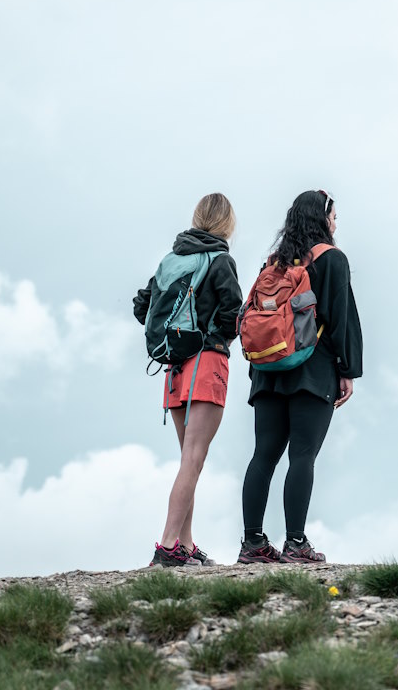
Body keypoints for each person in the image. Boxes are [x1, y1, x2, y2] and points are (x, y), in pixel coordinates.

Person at [238, 189, 362, 564]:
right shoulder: (331, 259)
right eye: (334, 216)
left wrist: (258, 368)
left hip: (268, 372)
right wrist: (348, 370)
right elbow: (341, 319)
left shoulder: (272, 264)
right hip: (313, 370)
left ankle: (253, 544)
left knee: (263, 455)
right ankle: (295, 544)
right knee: (302, 456)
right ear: (323, 219)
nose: (336, 223)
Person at [133, 193, 242, 568]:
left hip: (174, 368)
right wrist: (219, 337)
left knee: (187, 460)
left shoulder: (171, 260)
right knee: (194, 459)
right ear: (227, 223)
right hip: (207, 363)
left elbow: (141, 305)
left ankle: (186, 543)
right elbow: (232, 314)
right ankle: (166, 546)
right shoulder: (221, 260)